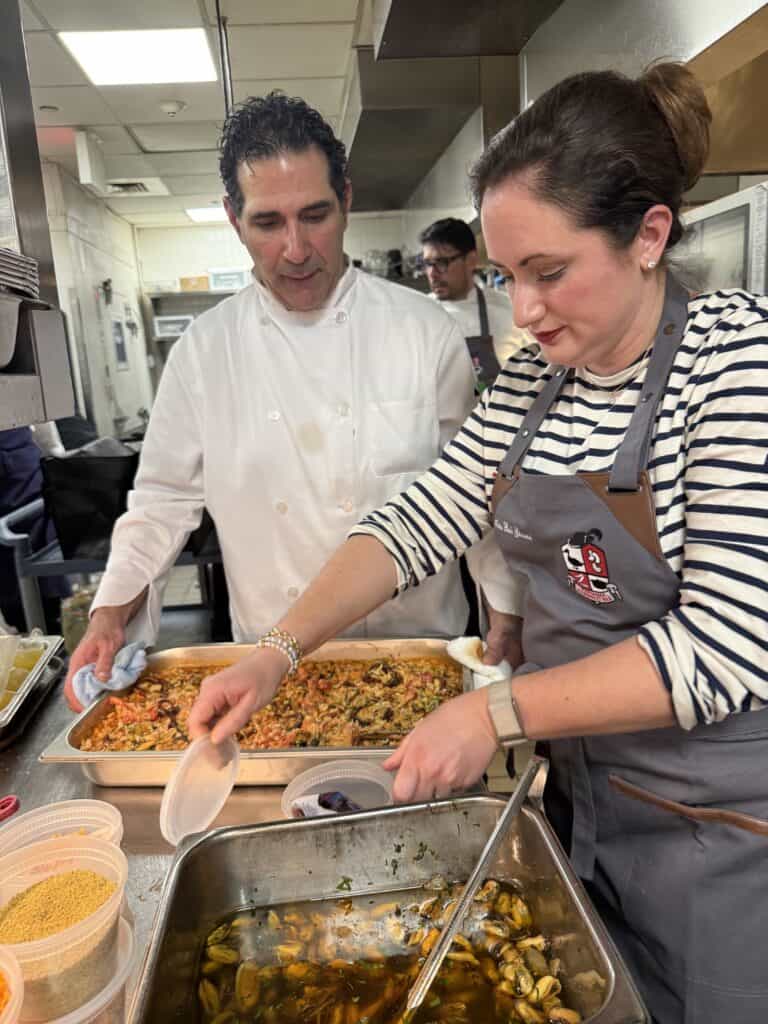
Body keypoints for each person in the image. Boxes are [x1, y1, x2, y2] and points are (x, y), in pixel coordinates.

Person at [189, 64, 768, 1022]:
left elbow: (730, 644)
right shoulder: (538, 383)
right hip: (581, 802)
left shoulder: (734, 360)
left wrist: (491, 716)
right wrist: (276, 652)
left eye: (549, 273)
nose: (525, 312)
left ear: (650, 235)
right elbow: (421, 520)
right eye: (505, 278)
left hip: (715, 833)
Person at [63, 92, 476, 709]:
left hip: (421, 660)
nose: (296, 249)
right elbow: (161, 503)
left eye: (315, 215)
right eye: (267, 223)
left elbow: (476, 497)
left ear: (347, 201)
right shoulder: (205, 352)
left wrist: (509, 623)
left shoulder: (426, 333)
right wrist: (109, 616)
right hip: (266, 679)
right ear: (234, 219)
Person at [420, 217, 525, 390]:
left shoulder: (508, 310)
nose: (432, 274)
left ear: (470, 260)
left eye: (441, 263)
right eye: (427, 264)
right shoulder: (419, 316)